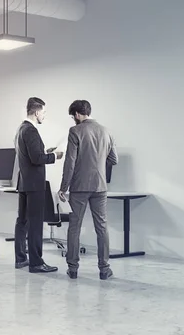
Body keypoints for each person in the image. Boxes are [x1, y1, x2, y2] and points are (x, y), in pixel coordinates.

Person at [57, 100, 118, 280]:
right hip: (100, 187)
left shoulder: (75, 131)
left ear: (77, 114)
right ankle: (104, 269)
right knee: (102, 227)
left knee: (74, 227)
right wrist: (98, 166)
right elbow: (114, 160)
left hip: (79, 187)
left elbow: (70, 162)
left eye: (72, 116)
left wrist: (63, 187)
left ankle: (73, 268)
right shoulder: (106, 131)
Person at [14, 97, 63, 273]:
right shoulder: (31, 131)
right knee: (35, 224)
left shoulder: (21, 129)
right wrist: (54, 156)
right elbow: (36, 159)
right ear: (36, 112)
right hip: (34, 184)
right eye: (43, 112)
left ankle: (21, 259)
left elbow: (31, 155)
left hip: (24, 182)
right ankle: (36, 263)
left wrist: (44, 152)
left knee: (23, 221)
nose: (44, 116)